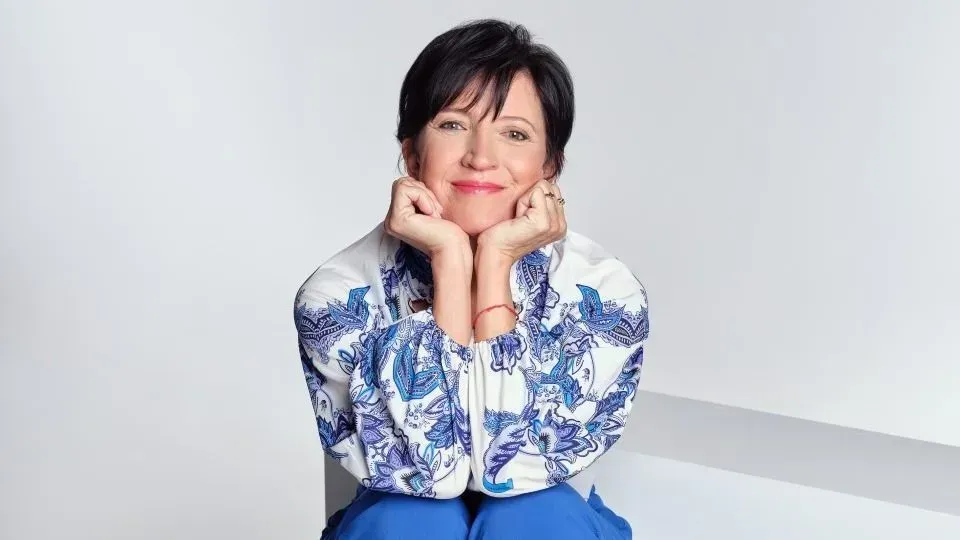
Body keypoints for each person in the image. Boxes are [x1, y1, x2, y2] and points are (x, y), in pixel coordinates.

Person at [293, 18, 649, 539]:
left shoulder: (606, 294)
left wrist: (496, 262)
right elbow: (426, 473)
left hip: (550, 518)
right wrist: (451, 262)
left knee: (534, 518)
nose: (481, 157)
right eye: (453, 125)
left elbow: (516, 472)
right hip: (398, 518)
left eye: (514, 134)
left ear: (550, 166)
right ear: (412, 153)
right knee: (408, 521)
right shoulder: (336, 295)